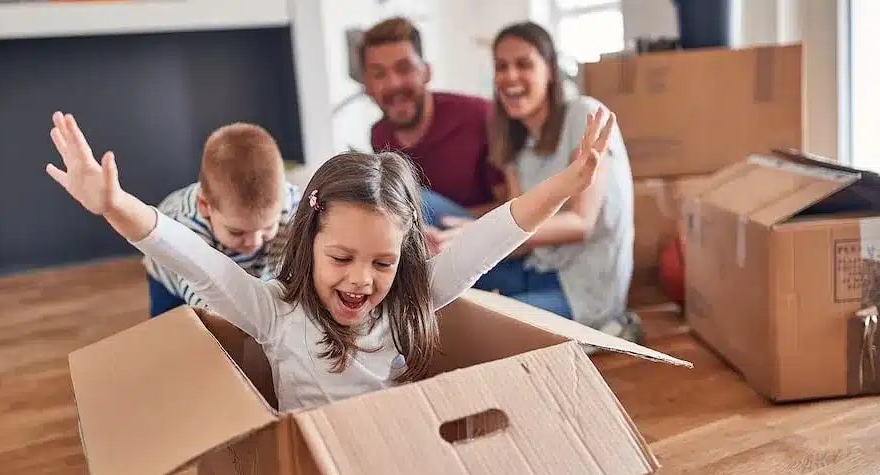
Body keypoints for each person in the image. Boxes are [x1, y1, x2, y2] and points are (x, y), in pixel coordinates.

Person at [43, 105, 614, 411]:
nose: (362, 280)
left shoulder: (411, 303)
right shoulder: (271, 311)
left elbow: (495, 235)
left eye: (382, 263)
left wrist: (566, 184)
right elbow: (189, 254)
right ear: (307, 238)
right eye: (341, 257)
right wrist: (114, 204)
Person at [434, 22, 642, 344]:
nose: (510, 76)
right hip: (533, 269)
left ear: (550, 71)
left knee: (475, 330)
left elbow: (580, 223)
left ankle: (608, 325)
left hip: (582, 289)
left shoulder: (584, 115)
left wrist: (472, 235)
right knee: (423, 209)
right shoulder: (517, 146)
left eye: (524, 64)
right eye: (501, 67)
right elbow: (517, 240)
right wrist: (459, 245)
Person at [143, 122, 301, 317]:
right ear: (205, 206)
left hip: (248, 270)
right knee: (172, 328)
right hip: (172, 277)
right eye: (237, 232)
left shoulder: (288, 206)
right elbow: (202, 298)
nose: (255, 242)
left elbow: (285, 271)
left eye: (268, 227)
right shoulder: (185, 227)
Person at [361, 17, 507, 228]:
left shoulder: (481, 115)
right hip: (428, 247)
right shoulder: (379, 135)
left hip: (487, 239)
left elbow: (510, 205)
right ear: (367, 86)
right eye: (379, 74)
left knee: (415, 201)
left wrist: (445, 222)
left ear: (426, 72)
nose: (393, 84)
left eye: (404, 69)